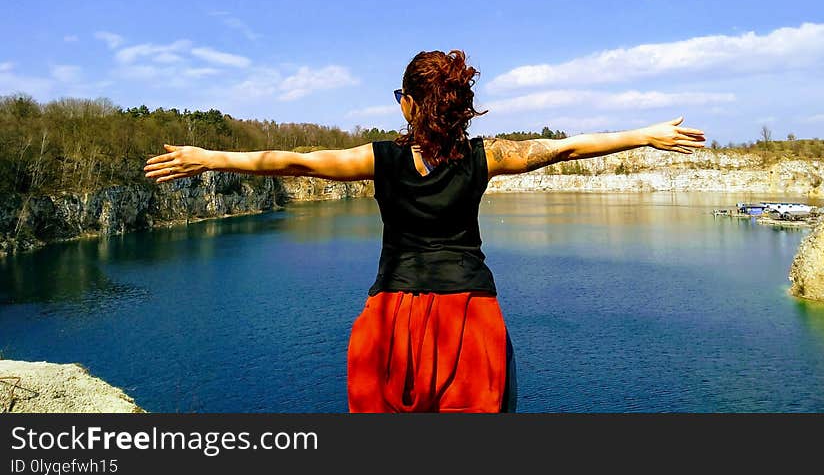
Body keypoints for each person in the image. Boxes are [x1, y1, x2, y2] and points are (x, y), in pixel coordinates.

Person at [143, 49, 706, 413]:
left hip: (392, 317)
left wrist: (208, 155)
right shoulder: (489, 157)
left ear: (411, 104)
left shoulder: (379, 160)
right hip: (470, 316)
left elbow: (294, 161)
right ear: (460, 109)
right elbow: (569, 146)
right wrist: (646, 133)